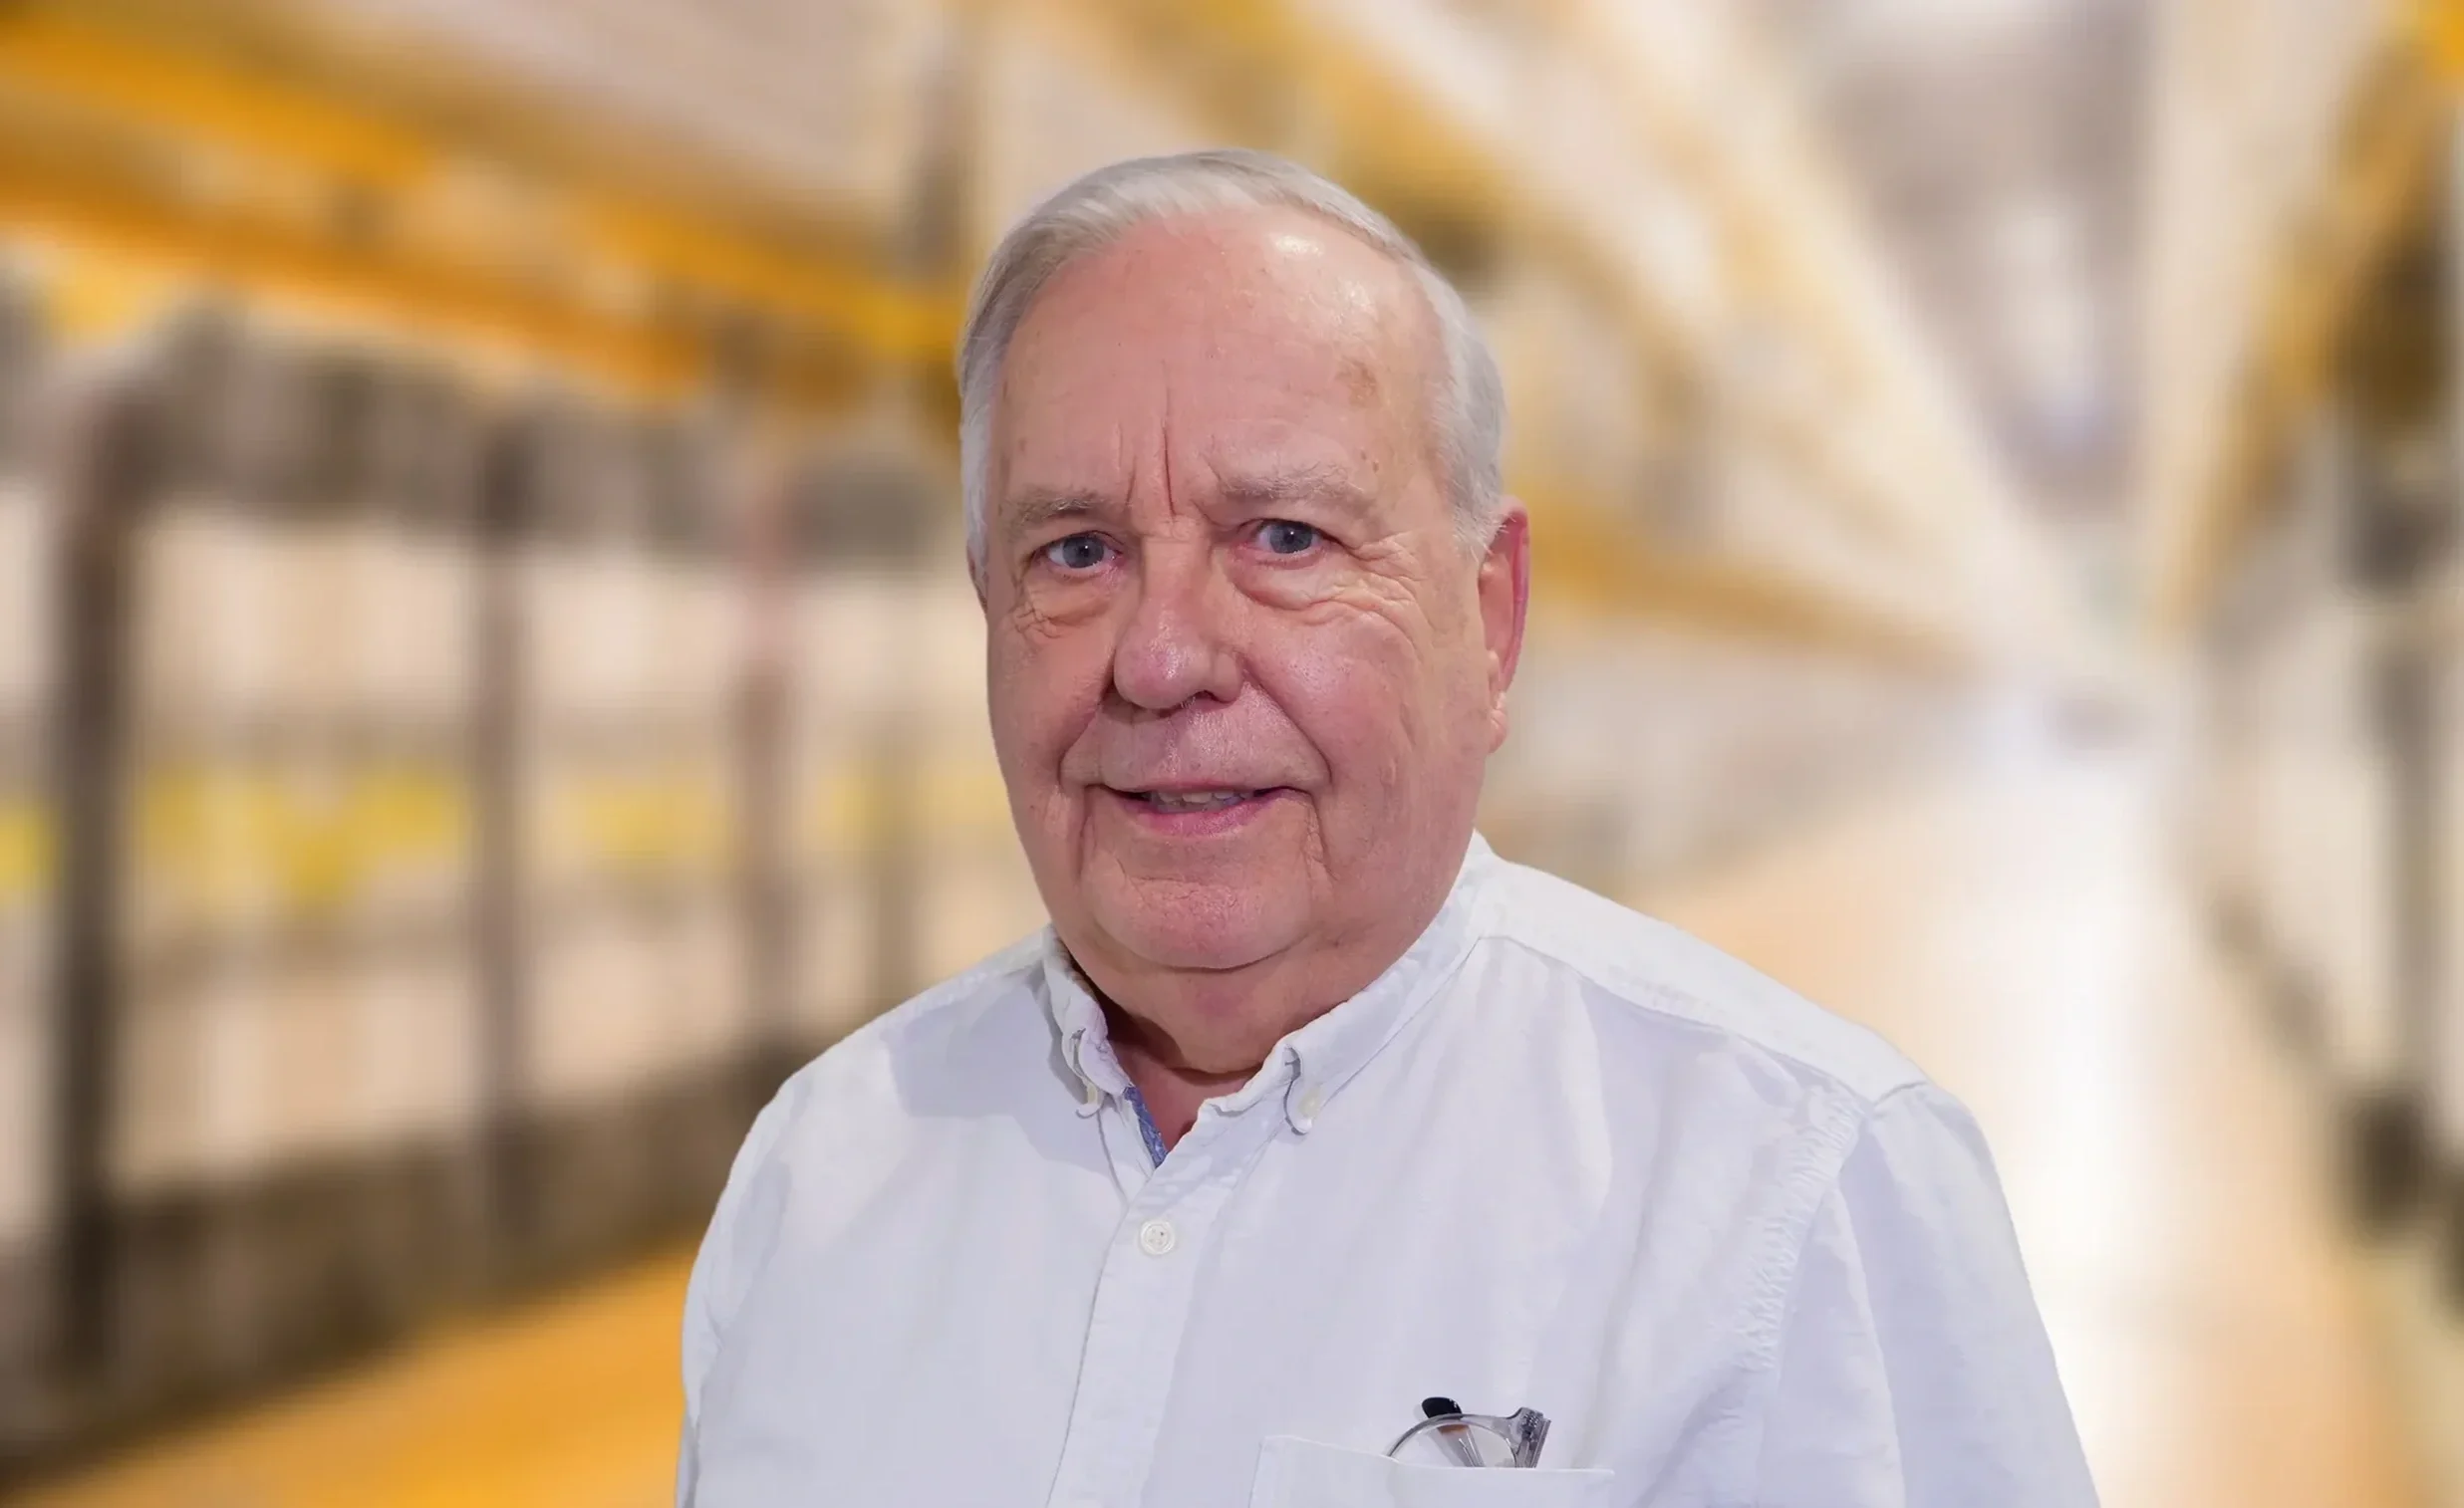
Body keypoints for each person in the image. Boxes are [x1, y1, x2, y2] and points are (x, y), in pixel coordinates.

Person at [675, 148, 2096, 1508]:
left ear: (1489, 620)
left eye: (1285, 538)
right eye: (1079, 551)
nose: (1163, 657)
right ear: (989, 605)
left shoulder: (1803, 1197)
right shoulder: (824, 1174)